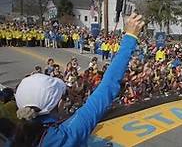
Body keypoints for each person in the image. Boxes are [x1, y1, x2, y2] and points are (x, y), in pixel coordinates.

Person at [0, 13, 145, 147]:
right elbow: (108, 86)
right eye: (63, 96)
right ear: (57, 104)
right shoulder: (66, 135)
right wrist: (130, 37)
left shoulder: (13, 137)